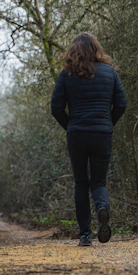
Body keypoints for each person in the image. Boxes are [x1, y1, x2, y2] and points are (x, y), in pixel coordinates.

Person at [51, 32, 126, 246]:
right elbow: (121, 104)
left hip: (77, 134)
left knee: (81, 183)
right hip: (102, 134)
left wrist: (70, 126)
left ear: (73, 51)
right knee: (99, 181)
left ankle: (85, 235)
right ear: (96, 49)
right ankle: (102, 208)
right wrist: (108, 124)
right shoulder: (110, 72)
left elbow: (55, 108)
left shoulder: (67, 74)